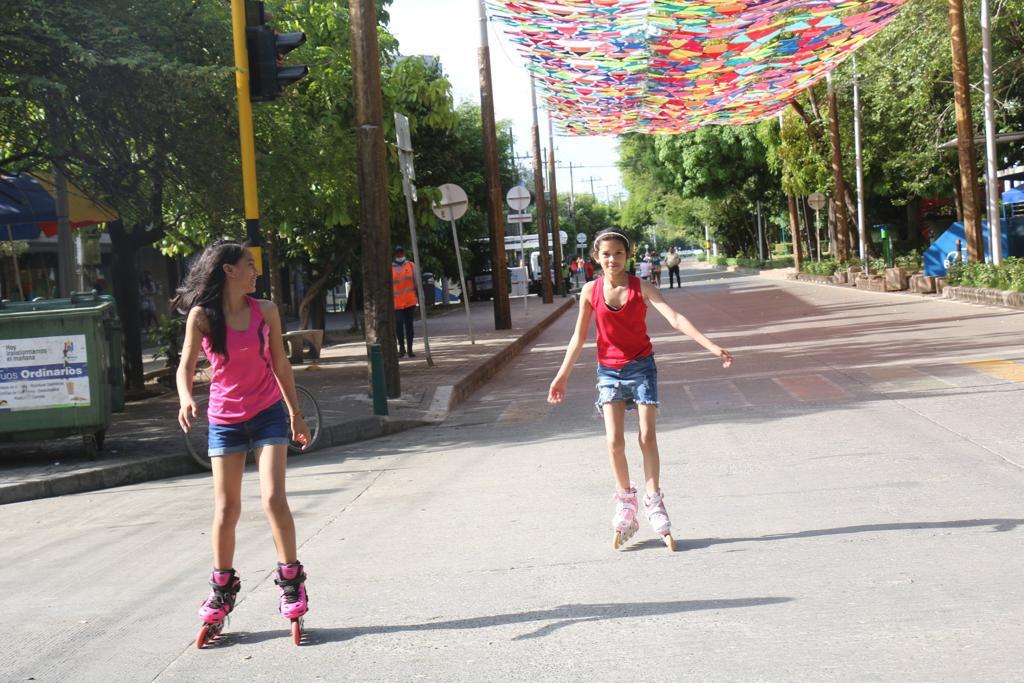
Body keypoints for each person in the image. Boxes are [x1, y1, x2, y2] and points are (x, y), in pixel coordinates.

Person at [547, 230, 733, 551]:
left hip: (641, 367)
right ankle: (625, 500)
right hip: (608, 371)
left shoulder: (642, 287)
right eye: (606, 254)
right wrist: (561, 376)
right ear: (596, 257)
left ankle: (653, 498)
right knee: (613, 441)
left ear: (627, 255)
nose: (612, 259)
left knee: (646, 436)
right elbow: (578, 338)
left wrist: (711, 346)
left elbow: (674, 318)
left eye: (618, 253)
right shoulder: (590, 291)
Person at [173, 241, 312, 642]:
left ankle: (291, 581)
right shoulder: (201, 317)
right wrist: (185, 398)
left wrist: (295, 413)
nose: (256, 271)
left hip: (267, 412)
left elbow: (280, 365)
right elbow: (185, 366)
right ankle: (221, 591)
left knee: (272, 498)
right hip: (224, 420)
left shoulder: (265, 311)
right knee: (226, 507)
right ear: (228, 270)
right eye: (249, 265)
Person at [392, 245, 418, 358]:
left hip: (409, 302)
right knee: (398, 324)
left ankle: (410, 349)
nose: (399, 255)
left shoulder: (411, 265)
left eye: (401, 252)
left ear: (404, 253)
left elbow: (417, 282)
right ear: (394, 254)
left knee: (409, 325)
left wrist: (420, 296)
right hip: (396, 303)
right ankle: (401, 348)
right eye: (398, 253)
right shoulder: (390, 268)